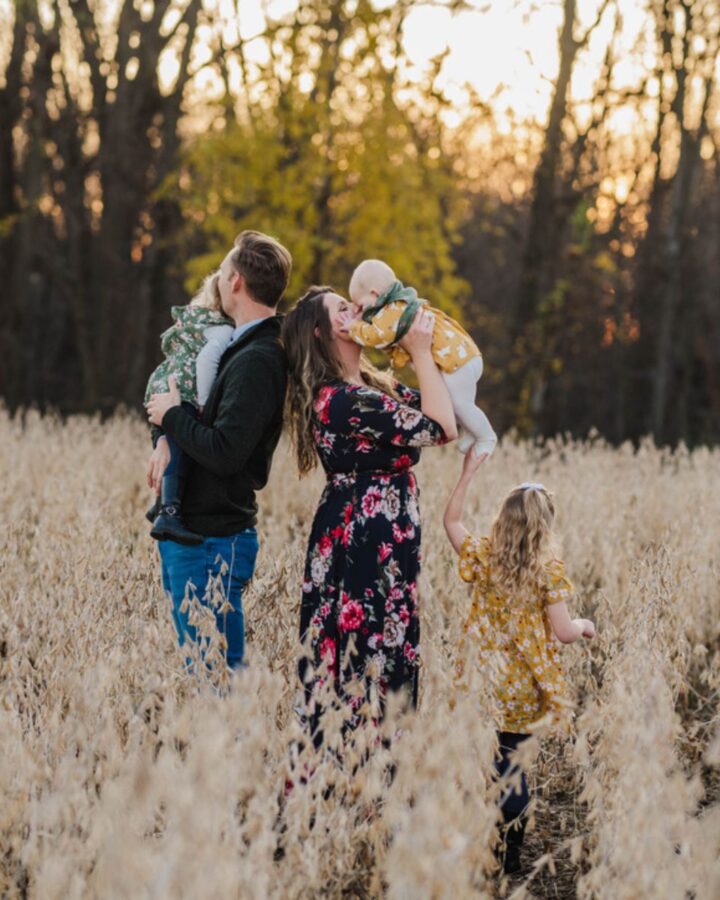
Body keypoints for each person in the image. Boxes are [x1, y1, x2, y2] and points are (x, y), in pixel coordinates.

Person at [281, 286, 457, 747]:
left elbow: (443, 401)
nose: (356, 310)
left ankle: (382, 779)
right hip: (360, 535)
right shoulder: (340, 400)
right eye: (344, 308)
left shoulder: (375, 385)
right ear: (323, 333)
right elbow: (441, 428)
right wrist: (418, 349)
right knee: (363, 650)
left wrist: (410, 343)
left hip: (388, 533)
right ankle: (355, 780)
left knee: (388, 646)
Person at [145, 230, 292, 672]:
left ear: (235, 284)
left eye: (225, 271)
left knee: (217, 678)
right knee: (208, 673)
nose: (220, 279)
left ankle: (236, 743)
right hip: (197, 533)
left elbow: (227, 451)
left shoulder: (258, 359)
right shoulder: (238, 347)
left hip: (212, 539)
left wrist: (172, 417)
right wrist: (167, 438)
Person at [443, 453, 595, 874]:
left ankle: (485, 847)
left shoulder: (485, 556)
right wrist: (585, 624)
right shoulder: (548, 570)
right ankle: (511, 855)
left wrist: (467, 474)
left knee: (487, 765)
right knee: (514, 766)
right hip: (524, 687)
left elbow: (452, 523)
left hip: (482, 680)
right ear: (545, 526)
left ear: (502, 519)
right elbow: (564, 632)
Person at [346, 258, 497, 458]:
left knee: (460, 404)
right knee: (450, 400)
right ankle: (471, 429)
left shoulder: (392, 311)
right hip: (459, 358)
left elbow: (376, 336)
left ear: (374, 295)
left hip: (458, 362)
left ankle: (486, 436)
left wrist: (353, 327)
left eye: (360, 305)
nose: (359, 310)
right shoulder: (398, 305)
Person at [144, 272, 234, 545]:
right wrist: (205, 402)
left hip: (162, 385)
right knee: (183, 447)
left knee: (174, 445)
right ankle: (169, 513)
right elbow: (206, 362)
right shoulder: (221, 327)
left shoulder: (194, 320)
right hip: (181, 391)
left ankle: (161, 504)